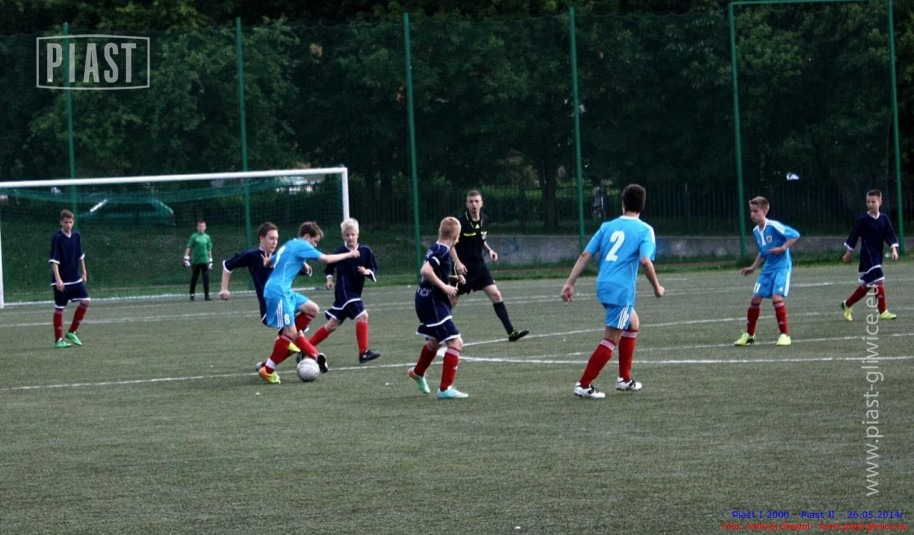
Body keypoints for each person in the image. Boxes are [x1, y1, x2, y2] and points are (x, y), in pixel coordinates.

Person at [561, 184, 664, 399]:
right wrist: (657, 287)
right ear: (643, 205)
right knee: (611, 338)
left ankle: (625, 379)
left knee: (633, 322)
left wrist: (570, 283)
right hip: (621, 291)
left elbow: (585, 255)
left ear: (623, 203)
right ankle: (584, 384)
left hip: (603, 284)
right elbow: (645, 261)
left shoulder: (607, 226)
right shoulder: (645, 230)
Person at [257, 221, 360, 385]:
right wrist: (349, 254)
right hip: (278, 291)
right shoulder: (302, 245)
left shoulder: (291, 244)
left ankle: (287, 336)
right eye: (315, 241)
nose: (315, 245)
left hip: (285, 291)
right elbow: (326, 259)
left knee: (312, 309)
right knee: (291, 333)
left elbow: (271, 261)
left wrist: (269, 263)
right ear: (307, 236)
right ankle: (268, 370)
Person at [451, 190, 528, 342]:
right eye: (471, 201)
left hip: (479, 266)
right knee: (452, 301)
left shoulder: (485, 219)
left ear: (482, 203)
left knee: (496, 295)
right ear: (466, 204)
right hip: (463, 268)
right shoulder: (460, 223)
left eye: (476, 201)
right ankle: (433, 330)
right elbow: (451, 245)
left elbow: (480, 238)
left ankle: (511, 332)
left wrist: (489, 250)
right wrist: (458, 263)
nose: (474, 204)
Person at [408, 216, 470, 399]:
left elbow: (432, 271)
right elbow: (426, 271)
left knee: (435, 342)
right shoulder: (443, 251)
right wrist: (445, 287)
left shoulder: (435, 248)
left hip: (424, 299)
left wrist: (452, 278)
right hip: (433, 302)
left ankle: (418, 372)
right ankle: (445, 389)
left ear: (440, 232)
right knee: (456, 342)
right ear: (456, 236)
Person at [307, 218, 381, 364]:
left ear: (358, 234)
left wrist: (366, 271)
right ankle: (363, 353)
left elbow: (373, 268)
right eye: (347, 235)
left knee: (332, 325)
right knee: (363, 316)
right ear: (343, 236)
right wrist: (329, 279)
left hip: (355, 292)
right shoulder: (340, 252)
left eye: (353, 234)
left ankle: (306, 349)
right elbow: (329, 267)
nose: (350, 238)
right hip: (344, 292)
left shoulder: (365, 251)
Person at [733, 196, 800, 347]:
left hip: (782, 267)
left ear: (765, 211)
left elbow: (795, 235)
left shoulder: (774, 226)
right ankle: (750, 335)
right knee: (755, 299)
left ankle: (785, 335)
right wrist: (753, 267)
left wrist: (783, 248)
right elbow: (763, 252)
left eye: (756, 211)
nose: (752, 214)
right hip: (768, 268)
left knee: (776, 297)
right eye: (751, 211)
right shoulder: (756, 231)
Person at [840, 189, 900, 321]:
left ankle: (847, 304)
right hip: (867, 254)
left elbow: (889, 235)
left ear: (880, 202)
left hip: (877, 254)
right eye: (868, 202)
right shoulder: (863, 219)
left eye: (873, 202)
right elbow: (854, 235)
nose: (870, 204)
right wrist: (849, 253)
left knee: (868, 285)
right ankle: (883, 311)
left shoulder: (884, 218)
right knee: (879, 278)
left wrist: (894, 249)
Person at [49, 209, 91, 348]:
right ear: (61, 222)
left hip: (75, 277)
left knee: (86, 300)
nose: (68, 225)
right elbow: (54, 261)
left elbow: (81, 256)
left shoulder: (76, 236)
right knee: (59, 308)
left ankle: (72, 332)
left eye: (71, 222)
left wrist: (84, 272)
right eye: (66, 222)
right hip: (62, 280)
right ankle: (58, 340)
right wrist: (58, 279)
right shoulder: (58, 238)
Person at [183, 219, 213, 301]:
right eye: (200, 226)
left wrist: (210, 260)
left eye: (203, 226)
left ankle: (207, 295)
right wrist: (186, 258)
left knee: (206, 278)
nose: (201, 228)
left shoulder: (207, 237)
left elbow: (209, 249)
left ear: (205, 227)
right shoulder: (194, 236)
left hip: (205, 261)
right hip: (196, 261)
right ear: (197, 227)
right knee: (195, 277)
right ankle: (192, 294)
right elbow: (189, 247)